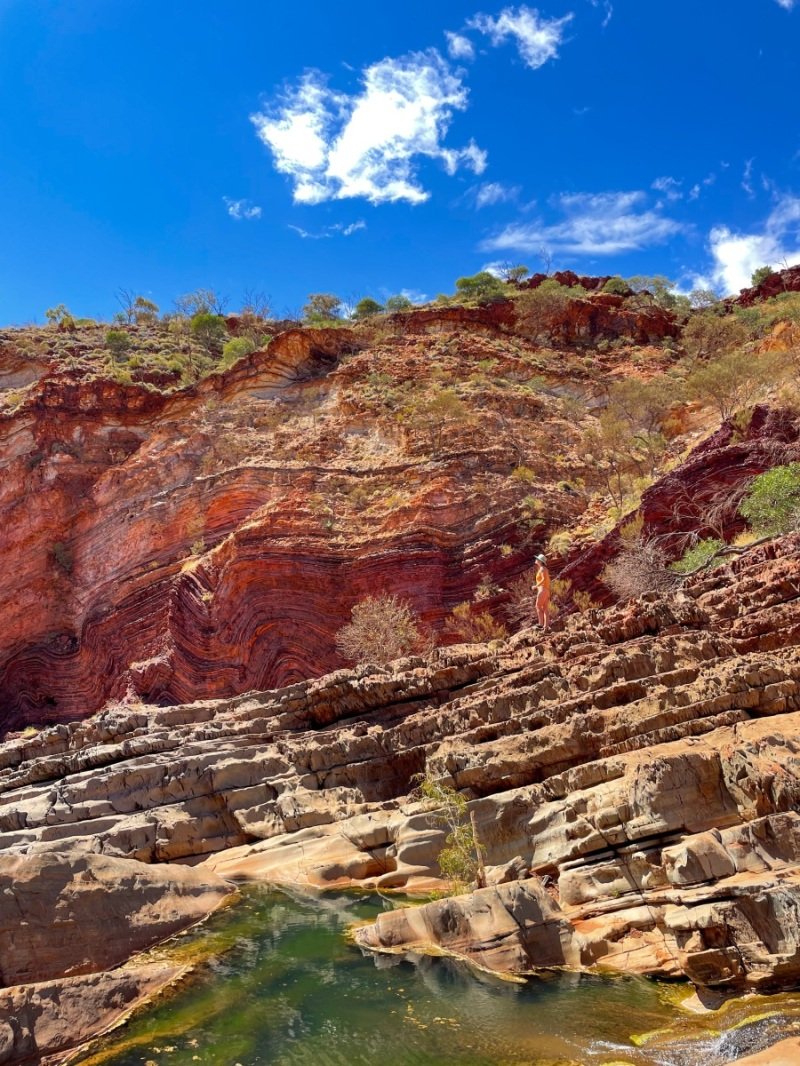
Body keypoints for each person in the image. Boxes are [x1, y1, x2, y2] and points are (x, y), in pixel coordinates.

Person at [534, 553, 551, 631]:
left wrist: (536, 586)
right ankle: (546, 627)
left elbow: (543, 580)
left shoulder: (542, 569)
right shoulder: (544, 569)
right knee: (545, 609)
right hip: (546, 591)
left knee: (538, 606)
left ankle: (540, 624)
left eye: (537, 559)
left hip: (542, 590)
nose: (536, 560)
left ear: (540, 561)